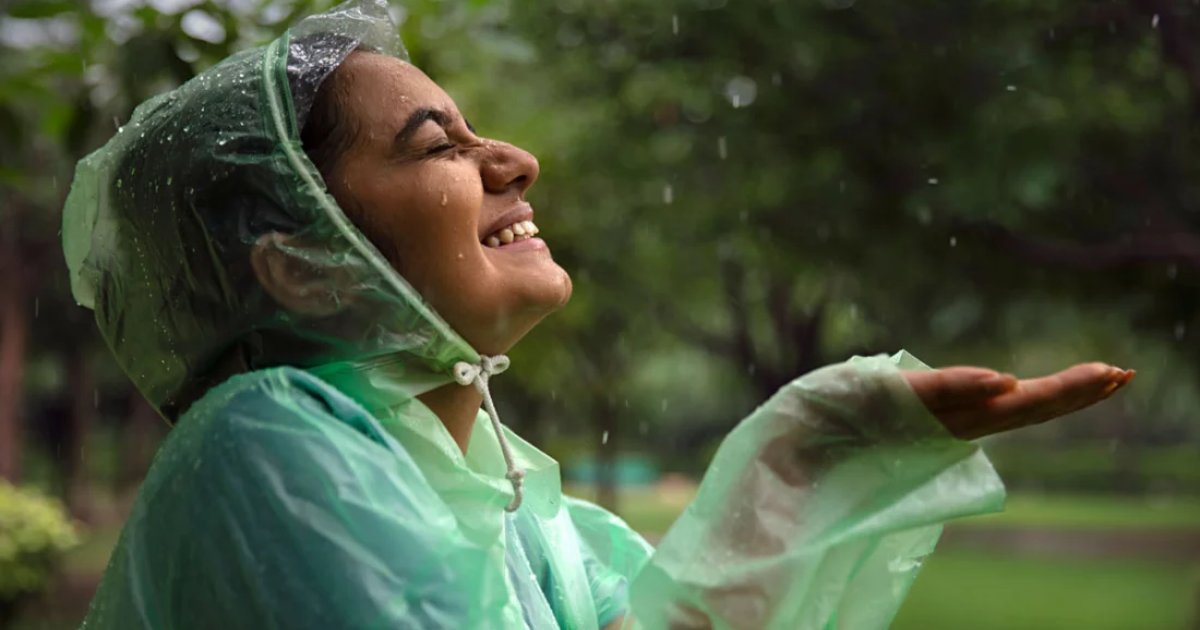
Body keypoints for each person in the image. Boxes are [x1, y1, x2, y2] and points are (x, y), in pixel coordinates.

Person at [61, 1, 1133, 628]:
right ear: (298, 263)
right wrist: (794, 458)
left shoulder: (495, 480)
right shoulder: (263, 450)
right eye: (436, 147)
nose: (518, 160)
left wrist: (807, 452)